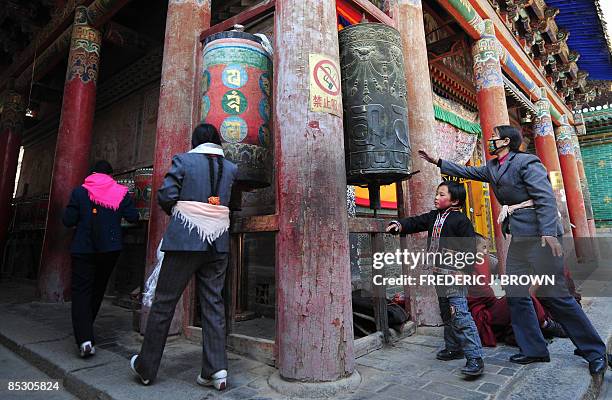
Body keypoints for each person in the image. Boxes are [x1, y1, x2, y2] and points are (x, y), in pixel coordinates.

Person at [418, 125, 608, 377]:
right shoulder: (494, 166)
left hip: (540, 236)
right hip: (519, 238)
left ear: (506, 141)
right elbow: (468, 171)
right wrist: (438, 161)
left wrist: (549, 232)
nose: (490, 140)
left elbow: (545, 198)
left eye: (494, 137)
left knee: (556, 296)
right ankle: (534, 348)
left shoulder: (527, 163)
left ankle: (595, 352)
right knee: (516, 294)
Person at [130, 124, 238, 390]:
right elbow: (232, 205)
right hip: (219, 242)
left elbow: (166, 195)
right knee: (213, 303)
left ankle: (146, 367)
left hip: (186, 239)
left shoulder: (184, 160)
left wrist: (182, 211)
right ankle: (217, 370)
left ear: (196, 141)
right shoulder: (232, 168)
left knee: (165, 302)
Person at [387, 181, 485, 377]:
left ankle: (475, 357)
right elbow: (416, 222)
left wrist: (464, 271)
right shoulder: (434, 217)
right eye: (436, 194)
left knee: (459, 314)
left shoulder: (460, 220)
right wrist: (399, 225)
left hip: (455, 277)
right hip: (438, 274)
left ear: (455, 200)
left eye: (441, 195)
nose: (436, 197)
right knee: (446, 313)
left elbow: (469, 249)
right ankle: (453, 347)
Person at [63, 160, 139, 358]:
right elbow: (133, 217)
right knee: (97, 289)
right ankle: (86, 330)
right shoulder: (120, 192)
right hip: (110, 249)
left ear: (91, 173)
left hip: (83, 248)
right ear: (110, 175)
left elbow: (68, 220)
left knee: (81, 292)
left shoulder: (80, 192)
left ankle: (85, 339)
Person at [467, 234, 566, 347]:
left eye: (487, 248)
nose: (486, 252)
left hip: (493, 302)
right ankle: (545, 326)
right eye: (483, 248)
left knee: (523, 296)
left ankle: (541, 327)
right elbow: (483, 294)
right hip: (483, 311)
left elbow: (499, 269)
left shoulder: (485, 260)